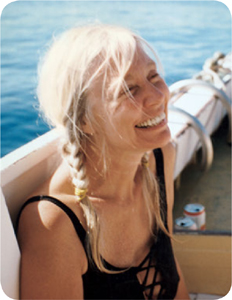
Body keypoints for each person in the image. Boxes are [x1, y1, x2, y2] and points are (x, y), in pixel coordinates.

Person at [17, 24, 190, 299]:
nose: (158, 97)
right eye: (129, 89)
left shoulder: (161, 156)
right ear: (84, 120)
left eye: (153, 76)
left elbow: (174, 274)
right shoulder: (57, 223)